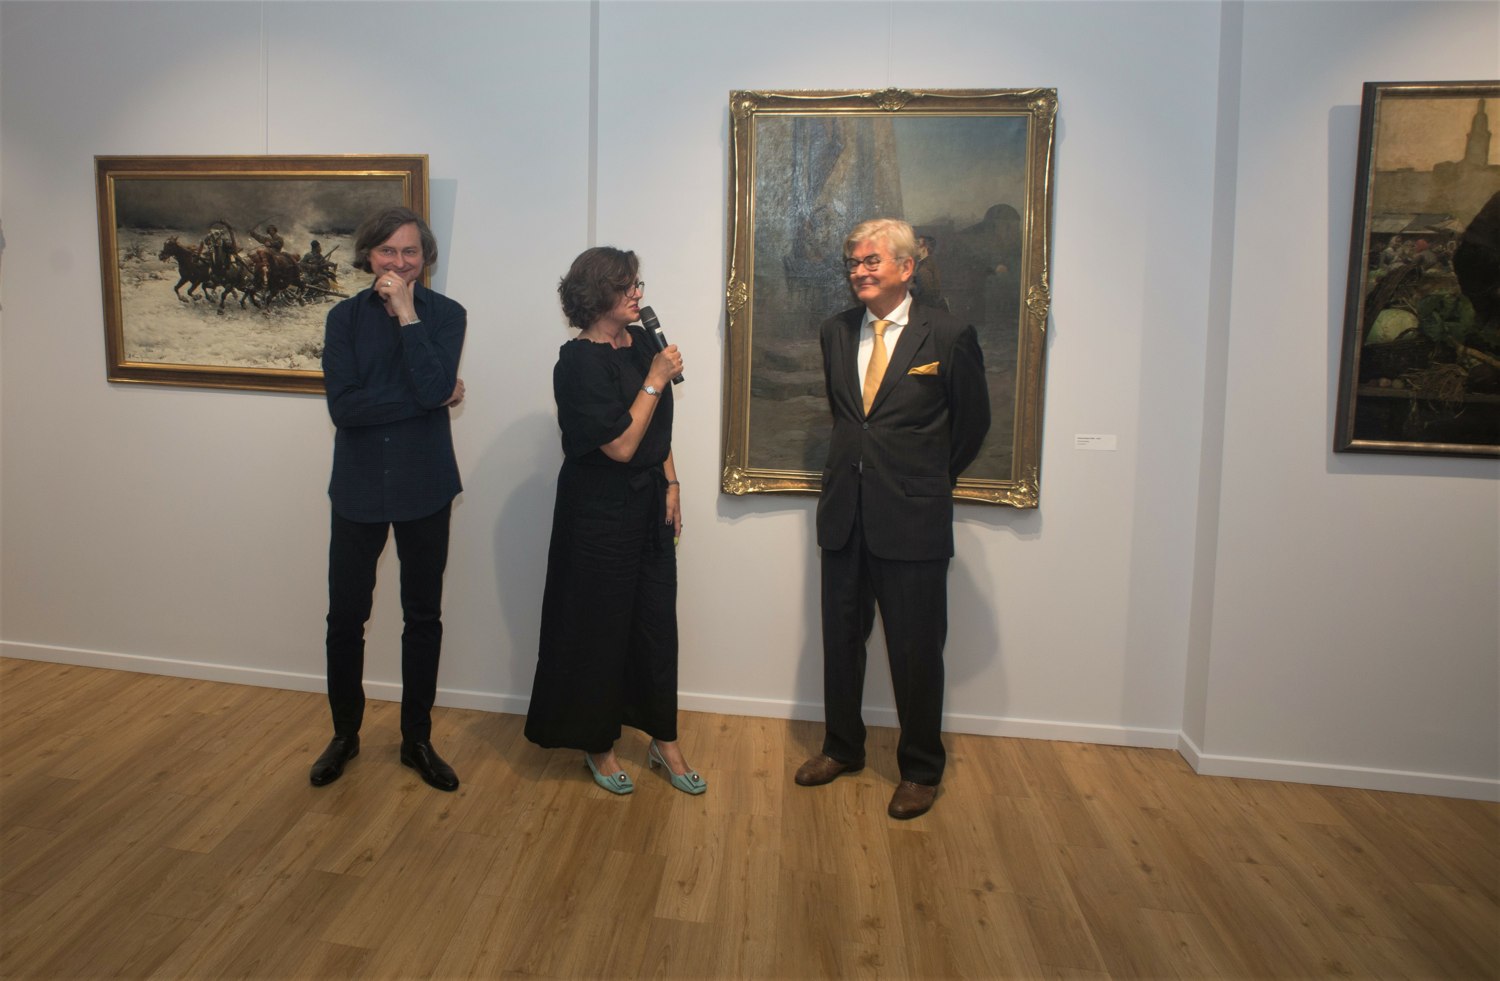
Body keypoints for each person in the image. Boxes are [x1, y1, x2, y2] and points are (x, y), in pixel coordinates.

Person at [795, 217, 990, 820]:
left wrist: (923, 482)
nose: (859, 271)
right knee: (840, 643)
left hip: (913, 520)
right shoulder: (835, 331)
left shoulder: (948, 334)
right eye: (853, 262)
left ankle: (921, 770)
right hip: (843, 518)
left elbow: (972, 425)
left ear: (907, 267)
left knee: (915, 651)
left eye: (871, 261)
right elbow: (849, 419)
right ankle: (841, 748)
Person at [524, 247, 705, 797]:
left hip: (649, 504)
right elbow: (622, 445)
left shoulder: (643, 342)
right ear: (595, 293)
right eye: (626, 286)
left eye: (638, 284)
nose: (638, 294)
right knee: (598, 627)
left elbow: (657, 433)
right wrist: (654, 379)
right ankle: (597, 742)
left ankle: (663, 739)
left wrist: (672, 483)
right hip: (597, 511)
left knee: (655, 624)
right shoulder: (577, 362)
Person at [310, 206, 467, 792]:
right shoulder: (343, 319)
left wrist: (407, 316)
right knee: (345, 618)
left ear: (425, 259)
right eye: (387, 251)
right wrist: (430, 397)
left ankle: (416, 740)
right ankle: (344, 735)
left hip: (426, 485)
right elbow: (344, 409)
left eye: (410, 252)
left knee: (422, 617)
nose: (398, 263)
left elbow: (431, 385)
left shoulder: (446, 315)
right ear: (368, 255)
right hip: (358, 487)